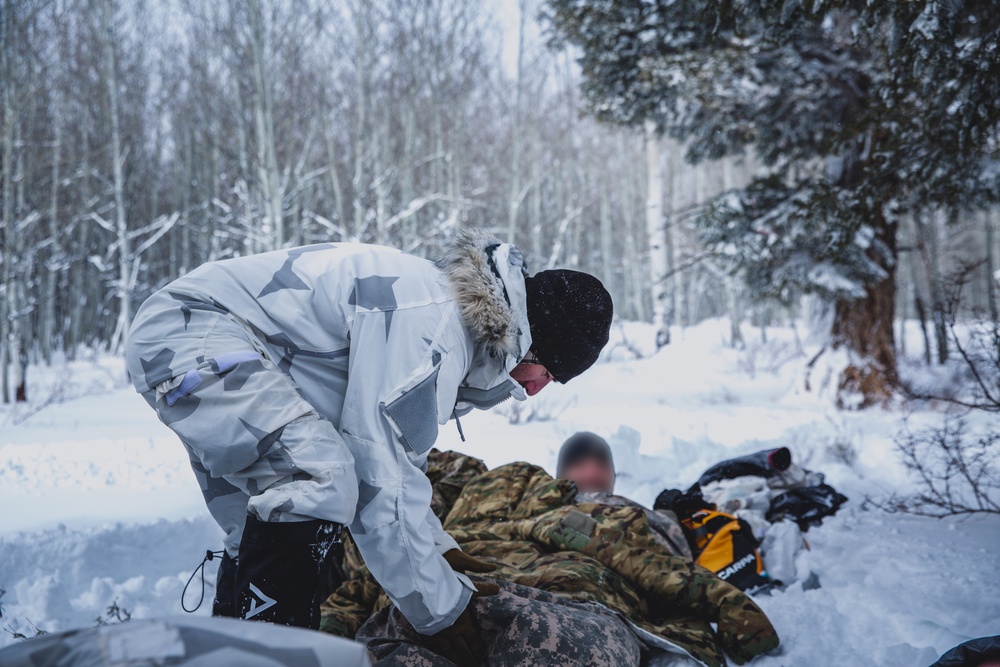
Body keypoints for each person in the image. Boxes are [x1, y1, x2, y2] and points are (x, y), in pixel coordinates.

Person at [124, 229, 613, 660]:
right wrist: (442, 613)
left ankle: (229, 655)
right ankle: (277, 657)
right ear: (530, 340)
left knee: (257, 528)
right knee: (319, 477)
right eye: (547, 372)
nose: (534, 389)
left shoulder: (451, 320)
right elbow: (381, 483)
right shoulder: (435, 328)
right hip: (194, 331)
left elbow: (400, 469)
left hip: (205, 335)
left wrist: (439, 553)